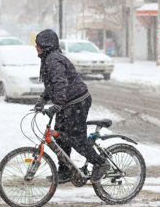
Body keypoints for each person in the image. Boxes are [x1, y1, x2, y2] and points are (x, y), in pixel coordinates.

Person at [34, 29, 110, 184]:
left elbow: (61, 83)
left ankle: (101, 163)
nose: (36, 47)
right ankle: (65, 171)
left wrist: (57, 105)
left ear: (46, 45)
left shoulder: (53, 60)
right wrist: (43, 100)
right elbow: (51, 85)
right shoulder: (49, 58)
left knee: (77, 139)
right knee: (60, 137)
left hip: (77, 102)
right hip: (67, 103)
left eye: (38, 44)